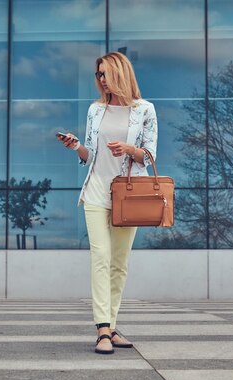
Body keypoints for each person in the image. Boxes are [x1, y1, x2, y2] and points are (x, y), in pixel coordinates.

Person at [57, 52, 157, 354]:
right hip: (97, 192)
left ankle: (111, 327)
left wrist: (129, 148)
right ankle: (102, 329)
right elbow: (91, 156)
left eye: (105, 74)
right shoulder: (95, 110)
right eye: (97, 75)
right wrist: (77, 147)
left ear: (120, 73)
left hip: (128, 194)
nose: (101, 80)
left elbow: (150, 154)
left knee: (119, 264)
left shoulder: (145, 110)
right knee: (100, 257)